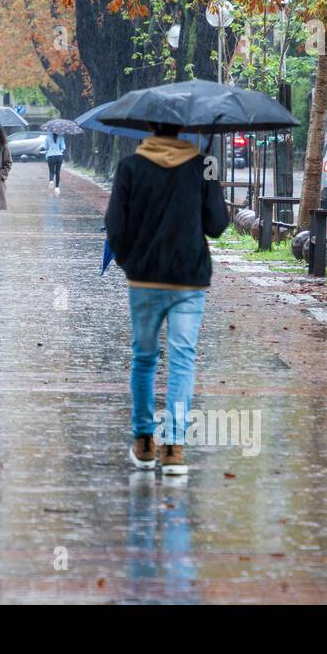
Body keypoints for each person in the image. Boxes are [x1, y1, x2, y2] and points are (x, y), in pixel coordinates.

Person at [104, 122, 228, 476]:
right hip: (189, 280)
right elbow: (217, 225)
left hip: (144, 279)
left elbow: (115, 225)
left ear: (149, 128)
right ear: (183, 129)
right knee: (182, 360)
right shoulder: (202, 166)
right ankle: (174, 447)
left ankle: (144, 441)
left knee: (144, 358)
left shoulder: (130, 167)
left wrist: (131, 262)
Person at [43, 130, 66, 195]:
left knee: (51, 171)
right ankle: (57, 188)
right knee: (58, 172)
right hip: (59, 156)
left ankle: (51, 181)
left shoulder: (48, 137)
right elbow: (63, 147)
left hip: (50, 156)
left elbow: (45, 147)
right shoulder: (61, 137)